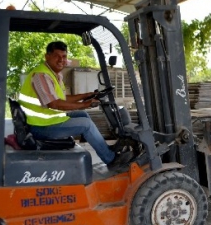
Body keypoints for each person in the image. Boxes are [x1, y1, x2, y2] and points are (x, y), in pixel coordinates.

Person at [18, 41, 132, 169]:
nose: (61, 60)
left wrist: (86, 96)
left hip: (48, 121)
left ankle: (104, 148)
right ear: (47, 56)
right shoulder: (41, 75)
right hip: (40, 127)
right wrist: (85, 104)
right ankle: (111, 159)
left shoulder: (54, 74)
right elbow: (54, 104)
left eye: (64, 56)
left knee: (82, 114)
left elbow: (63, 99)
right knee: (86, 125)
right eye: (57, 56)